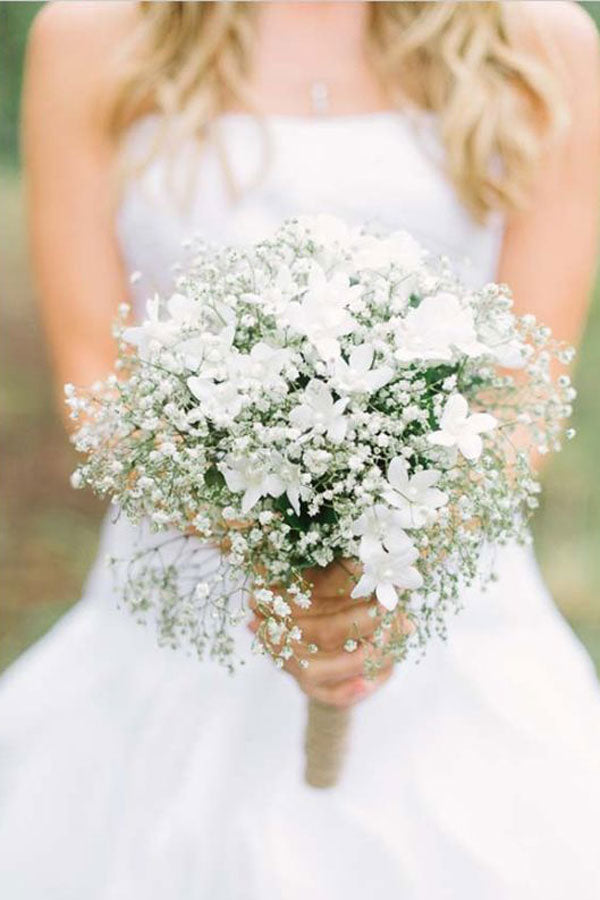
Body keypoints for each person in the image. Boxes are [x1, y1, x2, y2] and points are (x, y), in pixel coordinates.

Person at [1, 2, 600, 897]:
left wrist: (374, 577)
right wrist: (276, 560)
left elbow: (525, 394)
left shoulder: (541, 44)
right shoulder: (91, 37)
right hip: (184, 605)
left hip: (444, 619)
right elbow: (95, 380)